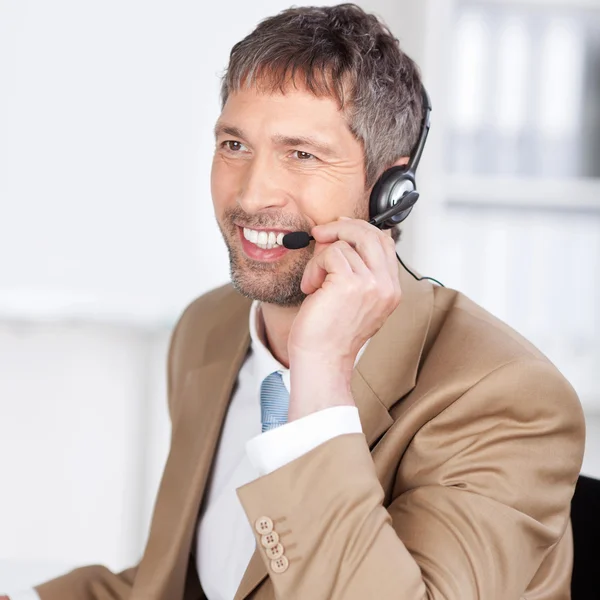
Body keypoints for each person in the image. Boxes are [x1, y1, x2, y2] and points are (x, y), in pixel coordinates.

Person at [4, 4, 585, 600]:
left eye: (301, 154)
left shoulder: (505, 399)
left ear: (390, 190)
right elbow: (187, 582)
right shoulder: (211, 328)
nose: (252, 194)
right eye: (234, 144)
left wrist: (322, 376)